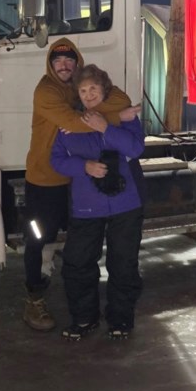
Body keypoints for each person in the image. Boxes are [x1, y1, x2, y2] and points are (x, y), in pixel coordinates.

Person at [23, 37, 137, 331]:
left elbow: (120, 100)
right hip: (47, 180)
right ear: (50, 64)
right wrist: (114, 118)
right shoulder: (46, 90)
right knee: (41, 239)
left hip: (80, 187)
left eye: (69, 60)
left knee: (80, 250)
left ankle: (90, 307)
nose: (64, 65)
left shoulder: (79, 90)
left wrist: (110, 114)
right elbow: (75, 124)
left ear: (78, 63)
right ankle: (35, 298)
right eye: (58, 60)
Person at [50, 64, 146, 341]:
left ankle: (121, 319)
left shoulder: (123, 117)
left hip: (125, 203)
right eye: (83, 90)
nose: (89, 94)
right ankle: (84, 319)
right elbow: (56, 160)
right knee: (78, 262)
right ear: (77, 95)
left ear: (104, 90)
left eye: (93, 88)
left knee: (123, 263)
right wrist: (84, 167)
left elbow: (135, 148)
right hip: (86, 204)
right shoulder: (69, 124)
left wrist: (106, 127)